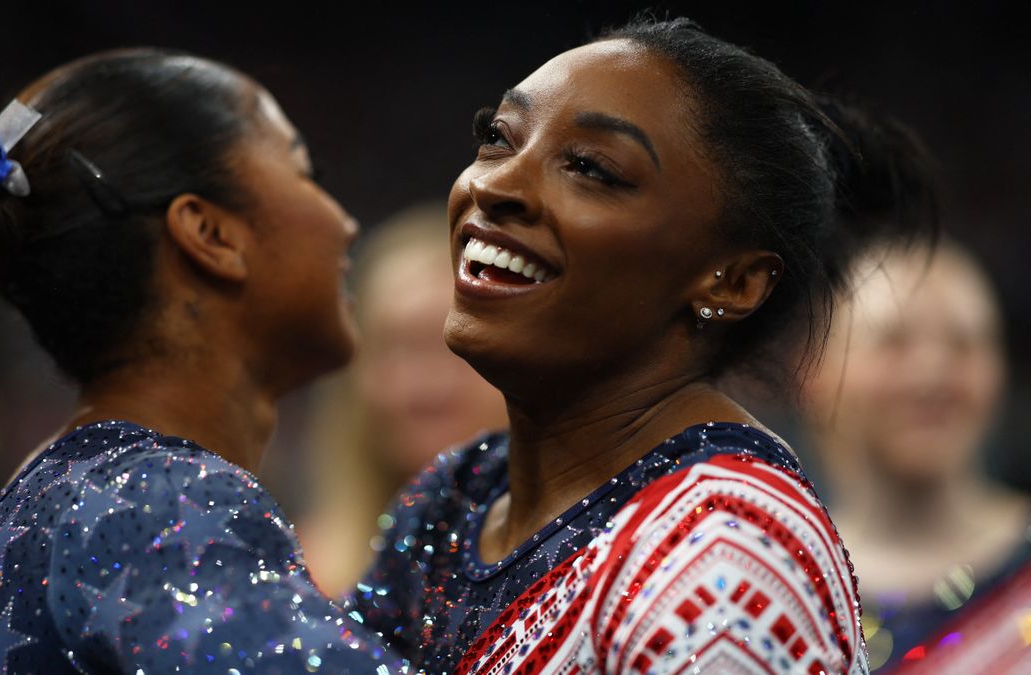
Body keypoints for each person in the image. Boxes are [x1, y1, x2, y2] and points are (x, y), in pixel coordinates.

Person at [348, 18, 931, 674]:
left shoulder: (722, 561)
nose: (495, 186)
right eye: (497, 138)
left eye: (591, 168)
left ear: (732, 281)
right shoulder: (457, 497)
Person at [0, 49, 405, 674]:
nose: (346, 223)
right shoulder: (150, 503)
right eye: (308, 172)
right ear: (210, 234)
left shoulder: (70, 491)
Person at [803, 241, 1031, 672]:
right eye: (893, 342)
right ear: (816, 372)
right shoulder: (784, 584)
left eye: (964, 343)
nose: (931, 374)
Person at [297, 203, 507, 595]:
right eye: (397, 349)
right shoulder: (299, 578)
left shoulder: (573, 563)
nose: (426, 385)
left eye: (455, 350)